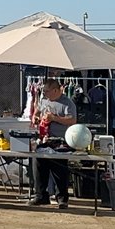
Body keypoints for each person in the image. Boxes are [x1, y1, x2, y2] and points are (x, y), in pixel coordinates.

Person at [29, 78, 77, 208]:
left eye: (47, 91)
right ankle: (40, 195)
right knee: (39, 166)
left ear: (56, 90)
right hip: (44, 139)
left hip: (60, 141)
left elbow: (72, 120)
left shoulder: (67, 103)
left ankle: (62, 198)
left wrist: (54, 118)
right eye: (43, 91)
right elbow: (38, 111)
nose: (44, 93)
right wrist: (36, 117)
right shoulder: (44, 100)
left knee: (59, 170)